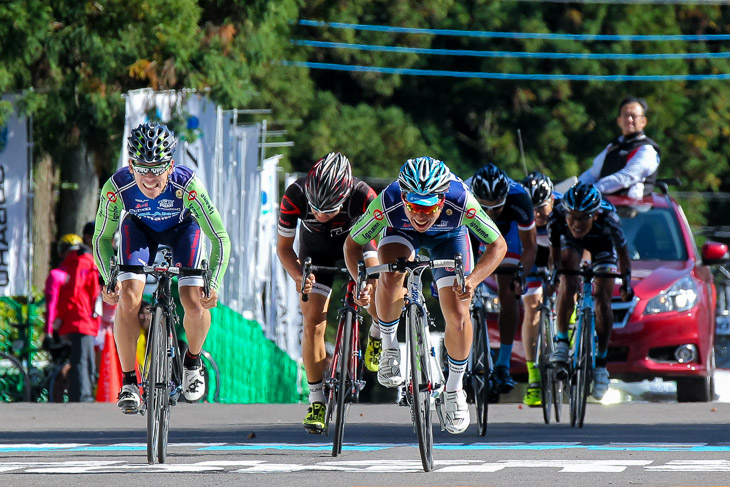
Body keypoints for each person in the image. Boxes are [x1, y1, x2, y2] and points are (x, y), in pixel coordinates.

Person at [345, 156, 506, 435]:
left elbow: (498, 245)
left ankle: (455, 391)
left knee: (457, 313)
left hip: (450, 237)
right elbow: (352, 245)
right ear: (404, 197)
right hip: (400, 233)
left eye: (429, 207)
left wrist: (473, 280)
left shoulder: (462, 201)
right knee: (390, 275)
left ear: (442, 200)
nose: (421, 215)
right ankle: (390, 346)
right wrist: (361, 281)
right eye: (414, 206)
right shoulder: (387, 202)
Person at [94, 121, 230, 412]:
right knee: (128, 297)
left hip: (184, 231)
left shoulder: (188, 185)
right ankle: (130, 381)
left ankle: (192, 361)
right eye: (143, 168)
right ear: (131, 166)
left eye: (158, 168)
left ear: (171, 166)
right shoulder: (117, 187)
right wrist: (109, 279)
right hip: (140, 231)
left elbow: (219, 237)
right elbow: (102, 237)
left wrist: (214, 282)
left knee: (193, 301)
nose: (151, 177)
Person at [276, 152, 382, 434]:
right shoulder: (295, 194)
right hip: (316, 253)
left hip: (358, 246)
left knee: (374, 291)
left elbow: (377, 253)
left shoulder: (364, 196)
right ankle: (317, 400)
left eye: (330, 209)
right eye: (316, 208)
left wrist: (369, 285)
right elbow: (285, 249)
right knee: (312, 321)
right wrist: (300, 276)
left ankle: (377, 332)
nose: (321, 215)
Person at [547, 182, 633, 400]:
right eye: (572, 216)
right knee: (568, 277)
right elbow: (555, 256)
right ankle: (562, 341)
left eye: (583, 217)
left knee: (603, 301)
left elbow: (623, 255)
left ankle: (602, 364)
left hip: (603, 246)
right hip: (572, 246)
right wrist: (555, 277)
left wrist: (626, 284)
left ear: (594, 215)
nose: (576, 223)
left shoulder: (609, 220)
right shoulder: (557, 217)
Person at [468, 163, 537, 395]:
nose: (489, 214)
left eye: (496, 208)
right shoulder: (463, 195)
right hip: (470, 230)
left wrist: (520, 275)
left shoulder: (519, 198)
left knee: (508, 290)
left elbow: (530, 247)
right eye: (484, 208)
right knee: (457, 286)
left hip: (505, 235)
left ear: (505, 198)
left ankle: (503, 365)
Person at [519, 171, 561, 407]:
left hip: (560, 251)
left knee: (569, 280)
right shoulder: (521, 214)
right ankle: (534, 376)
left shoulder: (565, 209)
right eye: (530, 209)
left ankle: (569, 326)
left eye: (541, 208)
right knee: (532, 306)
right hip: (532, 255)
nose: (535, 215)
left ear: (552, 200)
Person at [578, 96, 660, 199]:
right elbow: (592, 173)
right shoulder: (612, 147)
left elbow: (625, 178)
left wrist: (592, 190)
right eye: (626, 115)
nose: (629, 119)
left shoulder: (647, 149)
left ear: (643, 121)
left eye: (633, 116)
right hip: (604, 207)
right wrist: (576, 190)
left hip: (635, 211)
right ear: (619, 120)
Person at [55, 234, 101, 402]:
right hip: (84, 317)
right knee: (84, 359)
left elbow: (72, 291)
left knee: (81, 359)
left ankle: (82, 395)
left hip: (78, 317)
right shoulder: (86, 261)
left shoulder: (79, 261)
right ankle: (84, 394)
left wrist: (60, 317)